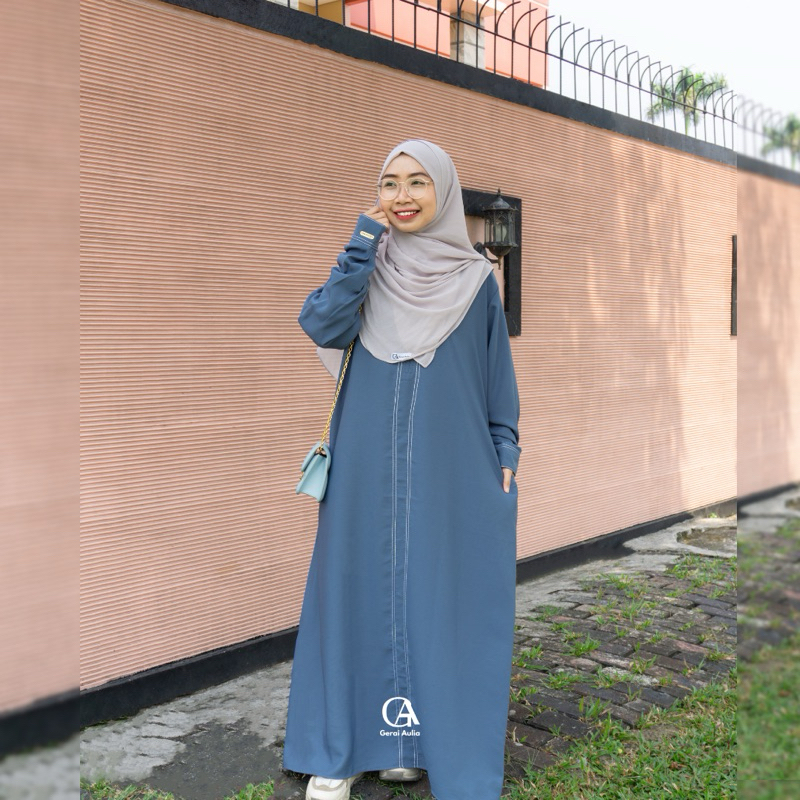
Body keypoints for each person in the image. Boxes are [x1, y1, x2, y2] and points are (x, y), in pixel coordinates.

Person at [282, 139, 521, 800]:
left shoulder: (475, 281)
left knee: (437, 595)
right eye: (390, 183)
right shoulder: (367, 268)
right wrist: (362, 243)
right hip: (363, 463)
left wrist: (505, 449)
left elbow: (495, 374)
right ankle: (339, 752)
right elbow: (322, 323)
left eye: (418, 182)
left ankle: (408, 744)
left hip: (450, 465)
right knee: (353, 589)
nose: (403, 196)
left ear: (443, 192)